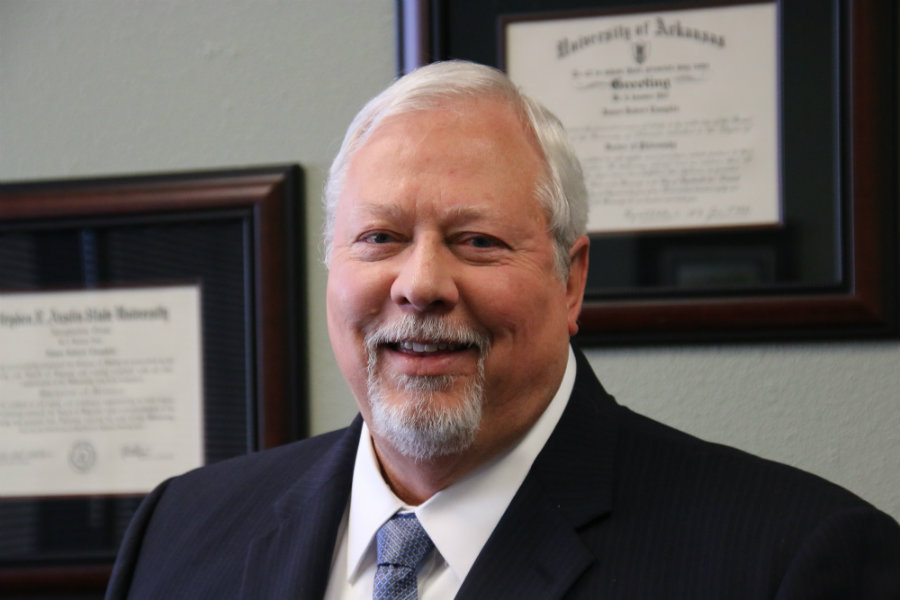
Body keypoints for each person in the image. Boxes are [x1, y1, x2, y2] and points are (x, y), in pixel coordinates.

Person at [105, 61, 899, 599]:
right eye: (379, 238)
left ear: (571, 279)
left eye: (477, 241)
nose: (420, 286)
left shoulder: (793, 562)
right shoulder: (178, 533)